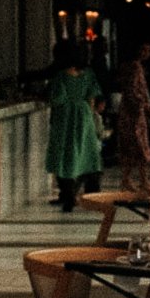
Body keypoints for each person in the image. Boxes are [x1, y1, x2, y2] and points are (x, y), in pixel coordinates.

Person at [44, 41, 105, 211]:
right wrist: (90, 119)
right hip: (84, 116)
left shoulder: (60, 77)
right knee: (86, 154)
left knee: (64, 155)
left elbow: (56, 99)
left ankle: (68, 195)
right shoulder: (88, 74)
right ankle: (92, 195)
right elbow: (92, 98)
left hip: (65, 118)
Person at [113, 40, 150, 188]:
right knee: (138, 145)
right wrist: (145, 106)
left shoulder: (129, 67)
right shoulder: (134, 67)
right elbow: (133, 90)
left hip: (130, 110)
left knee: (132, 146)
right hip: (133, 112)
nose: (146, 54)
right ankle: (140, 180)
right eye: (143, 50)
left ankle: (132, 179)